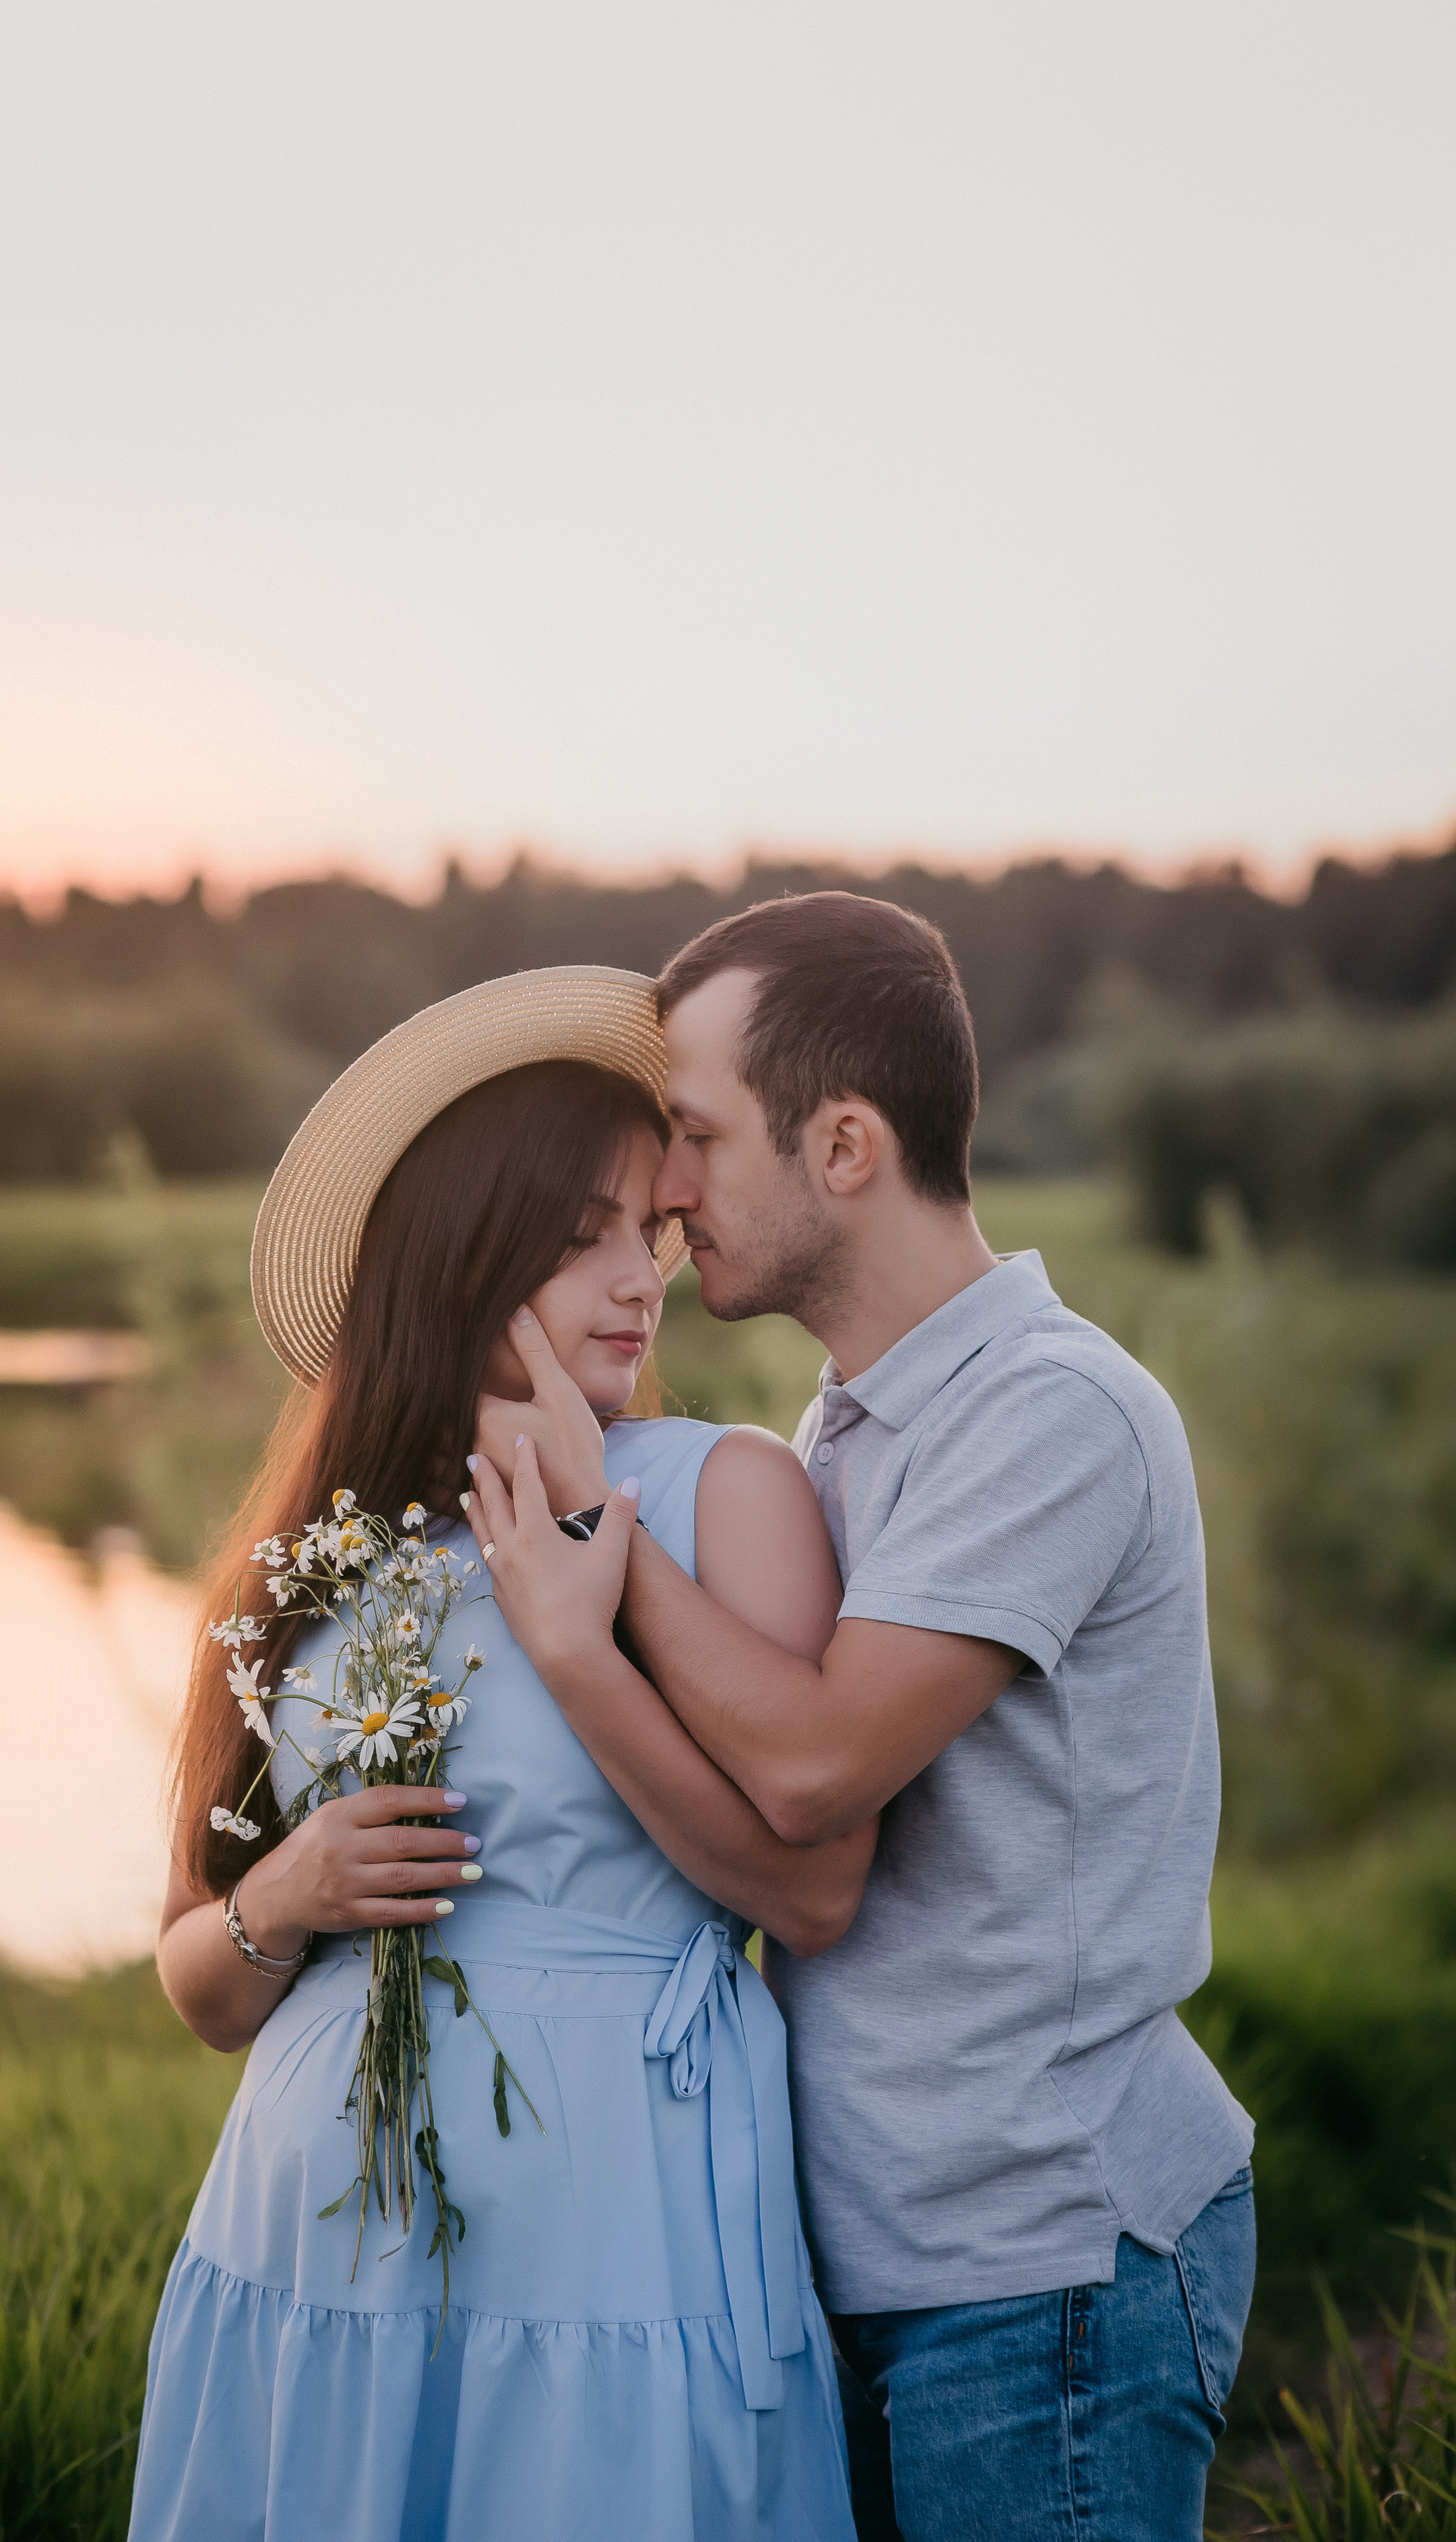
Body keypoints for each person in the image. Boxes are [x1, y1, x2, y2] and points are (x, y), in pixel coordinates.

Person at [464, 893, 1258, 2542]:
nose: (665, 1196)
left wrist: (590, 1541)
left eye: (690, 1136)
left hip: (1042, 2265)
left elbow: (818, 1767)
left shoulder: (1048, 1410)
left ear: (840, 1145)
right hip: (875, 2257)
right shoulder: (846, 1427)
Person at [128, 967, 866, 2542]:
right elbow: (196, 1983)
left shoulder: (723, 1494)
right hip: (316, 2237)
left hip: (619, 2220)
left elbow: (810, 1892)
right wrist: (293, 1898)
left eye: (647, 1234)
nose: (636, 1281)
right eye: (576, 1238)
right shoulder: (306, 1568)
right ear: (461, 1262)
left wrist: (584, 1618)